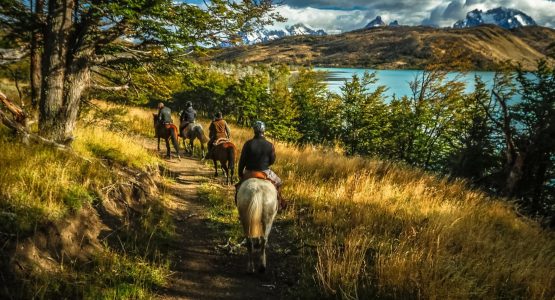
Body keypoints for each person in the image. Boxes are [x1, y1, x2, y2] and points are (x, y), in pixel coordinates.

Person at [237, 121, 286, 210]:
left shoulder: (248, 144)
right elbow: (272, 161)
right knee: (279, 182)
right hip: (265, 171)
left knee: (238, 188)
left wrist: (240, 173)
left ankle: (238, 204)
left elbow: (242, 161)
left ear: (254, 131)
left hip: (249, 171)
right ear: (264, 131)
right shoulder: (270, 145)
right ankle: (279, 204)